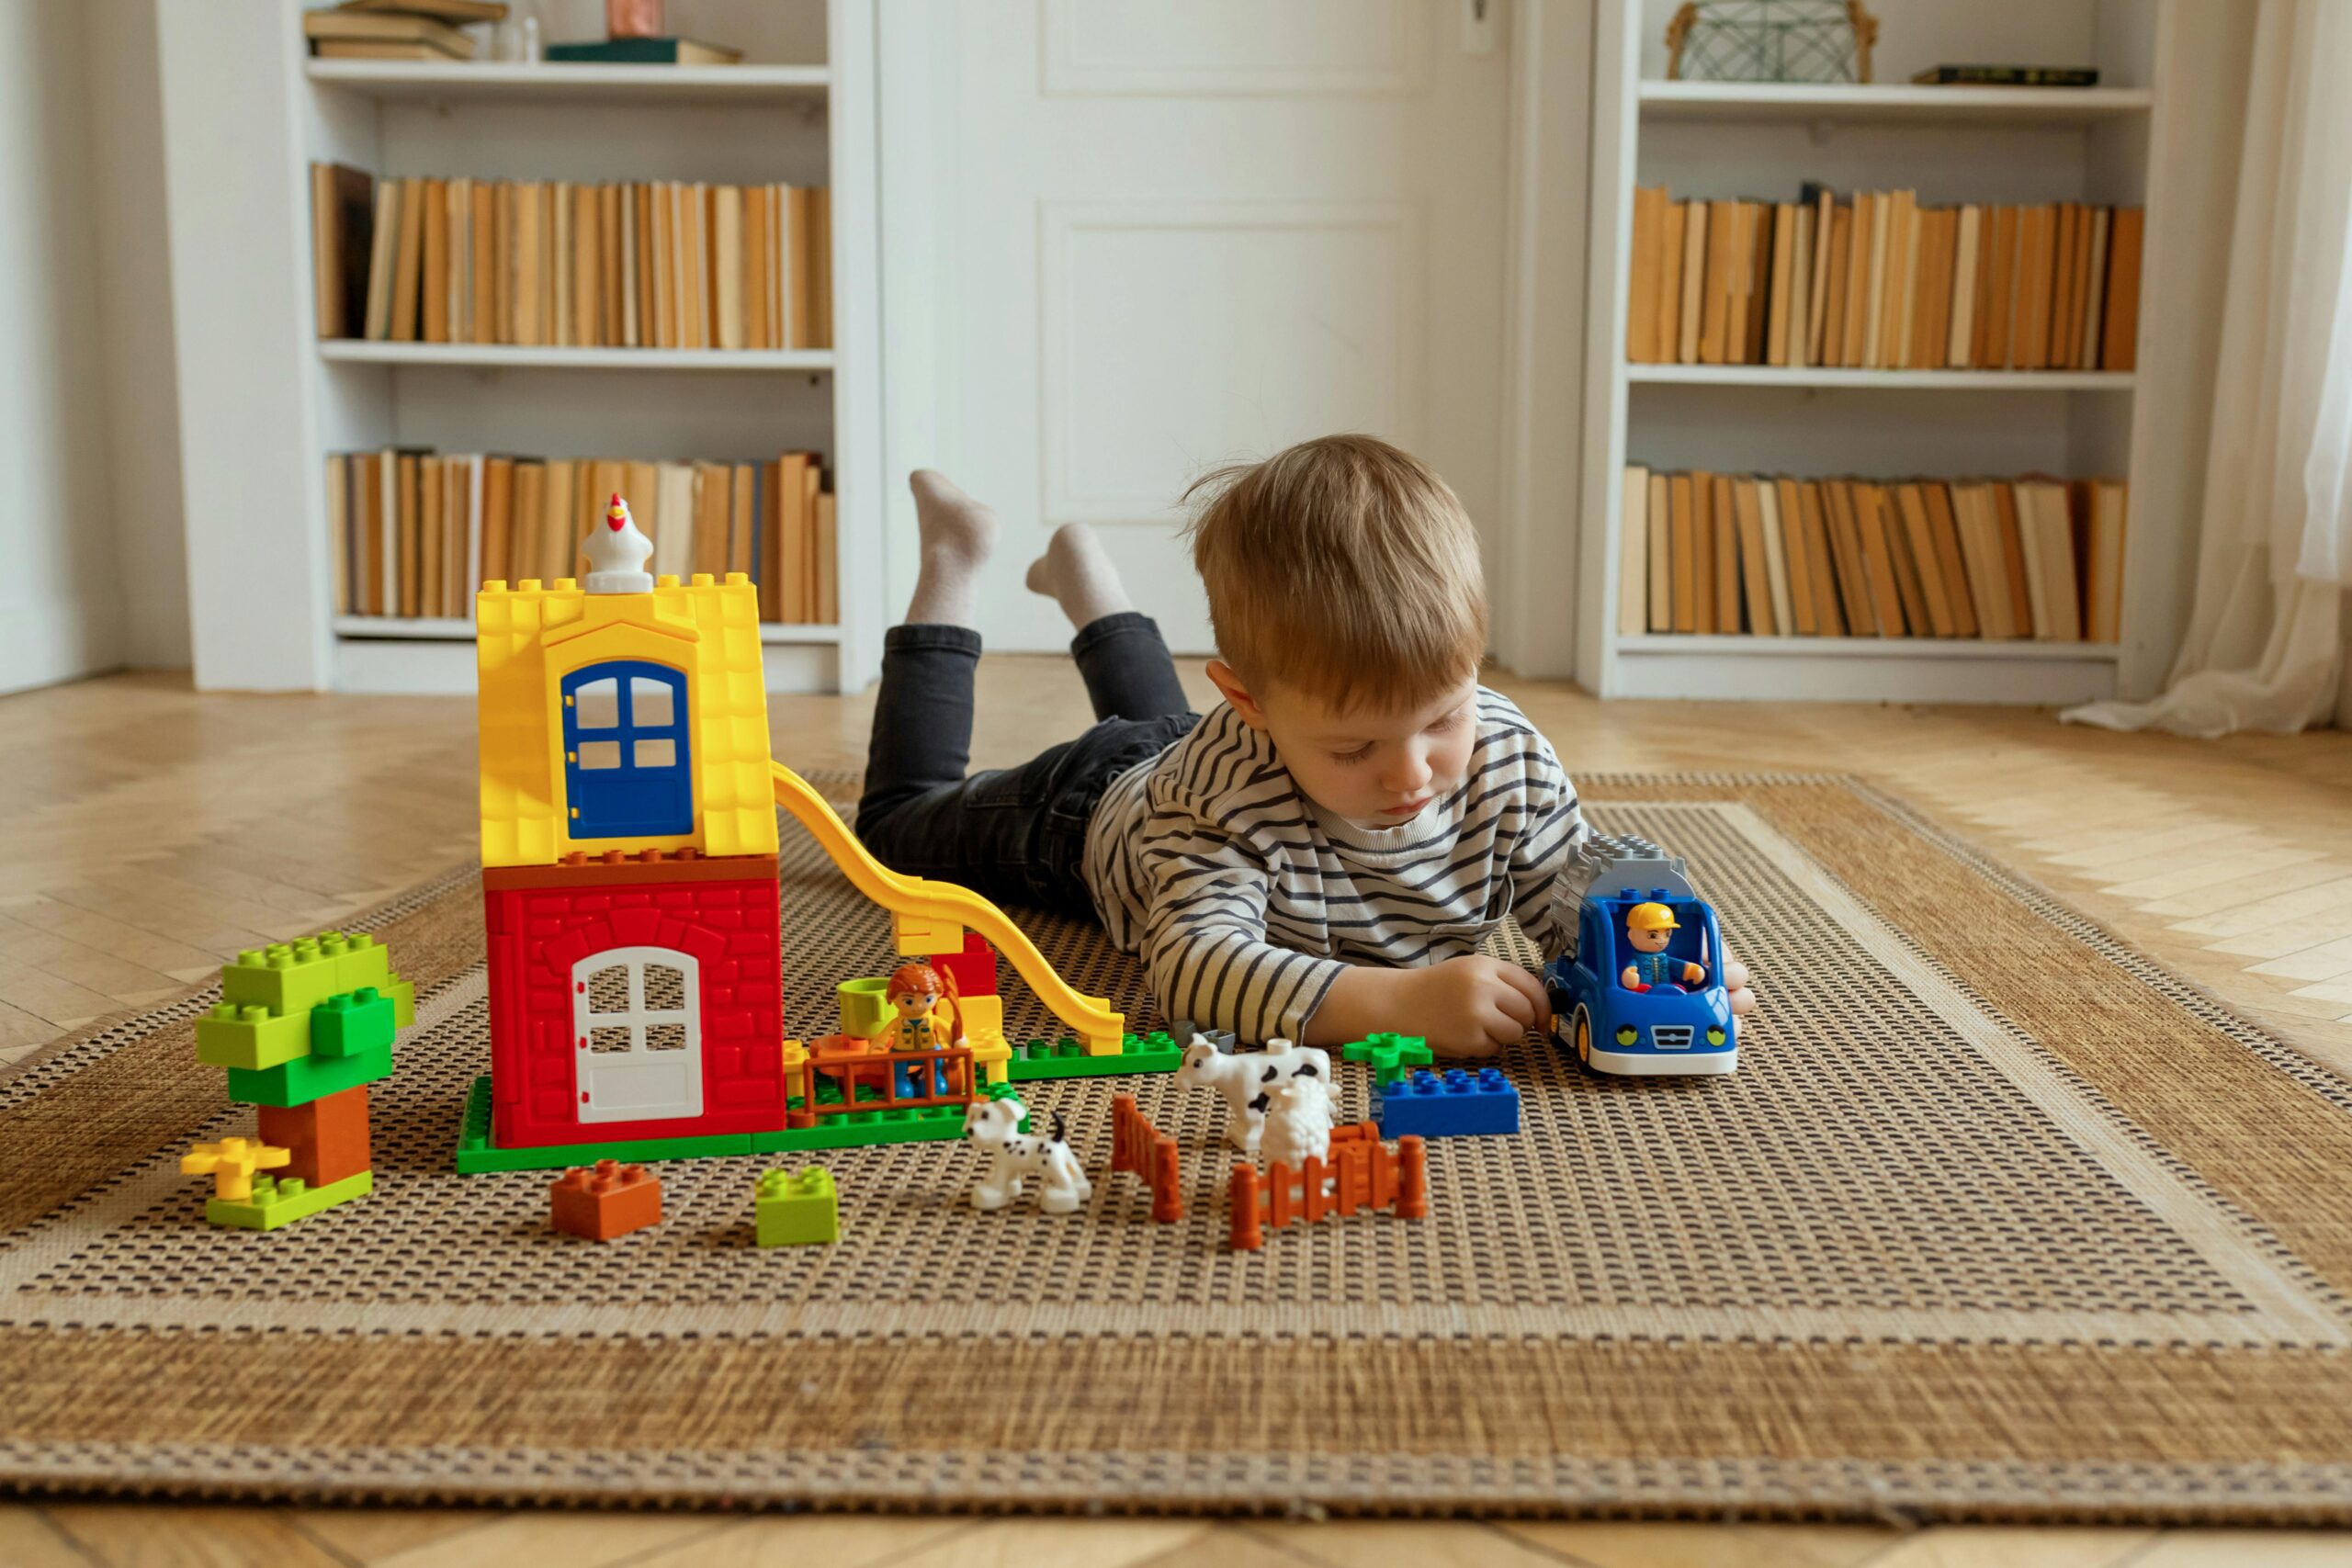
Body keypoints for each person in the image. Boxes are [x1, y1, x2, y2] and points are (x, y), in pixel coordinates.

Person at [854, 435, 1756, 1055]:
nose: (1411, 774)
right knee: (894, 832)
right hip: (1087, 814)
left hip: (1215, 748)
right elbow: (1195, 972)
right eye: (1356, 747)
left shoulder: (1508, 760)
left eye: (1442, 717)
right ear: (1249, 703)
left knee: (1171, 727)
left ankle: (1084, 577)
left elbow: (1565, 894)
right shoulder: (1216, 798)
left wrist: (1657, 965)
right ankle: (955, 558)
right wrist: (1396, 1003)